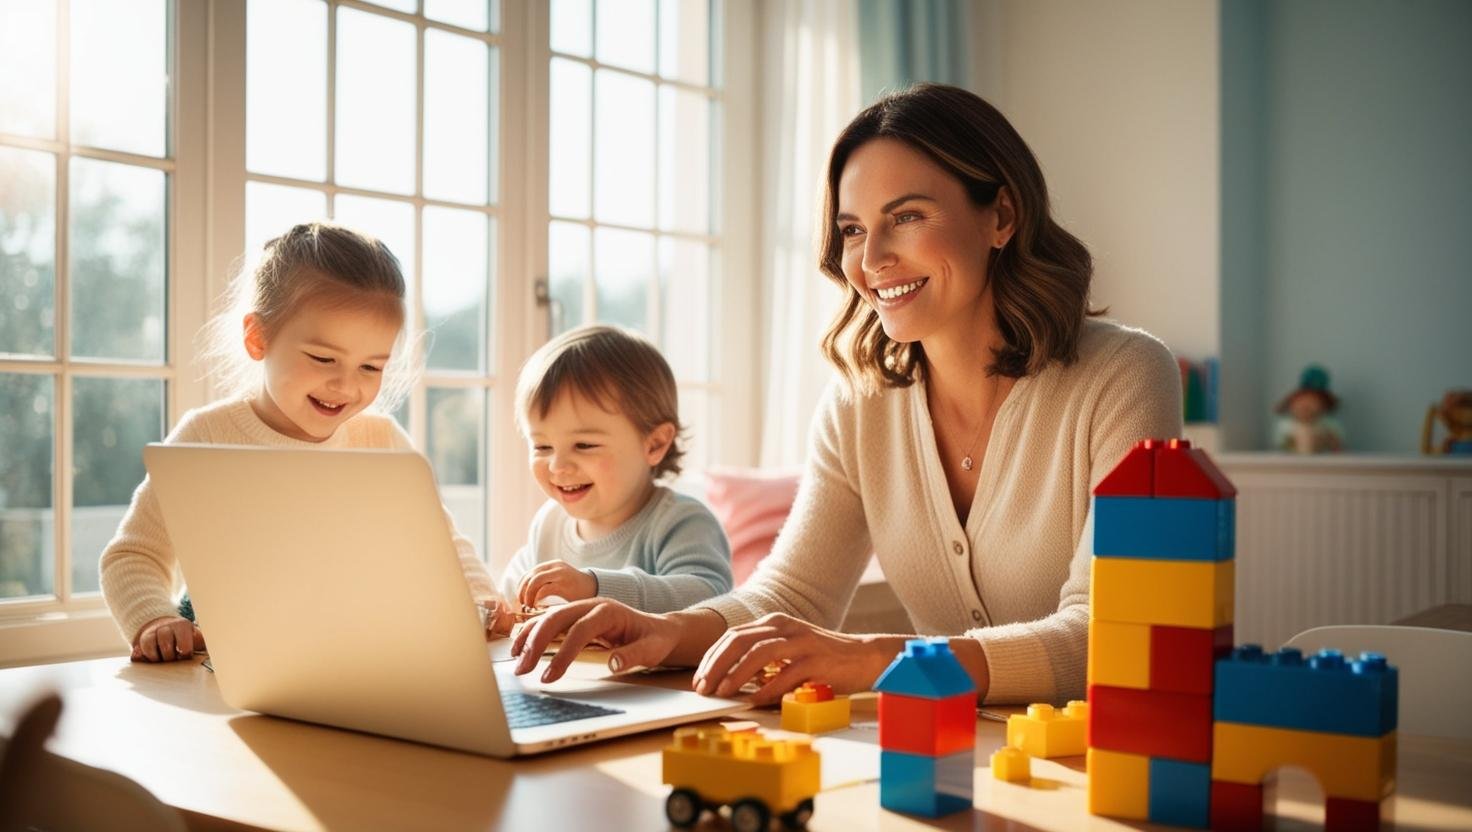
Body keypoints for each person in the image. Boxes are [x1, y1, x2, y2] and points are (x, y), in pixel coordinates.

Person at [511, 83, 1182, 705]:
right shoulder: (859, 405)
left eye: (908, 216)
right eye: (854, 229)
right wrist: (662, 630)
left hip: (1114, 766)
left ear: (1000, 215)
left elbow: (1111, 635)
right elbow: (793, 593)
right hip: (947, 757)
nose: (871, 259)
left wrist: (874, 659)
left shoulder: (1124, 376)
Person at [100, 222, 496, 662]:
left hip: (359, 660)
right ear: (258, 338)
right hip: (231, 667)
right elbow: (132, 555)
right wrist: (154, 618)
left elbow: (442, 545)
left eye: (371, 367)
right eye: (323, 358)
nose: (345, 385)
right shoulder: (206, 437)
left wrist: (482, 599)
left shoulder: (380, 439)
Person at [489, 325, 732, 633]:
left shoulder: (681, 521)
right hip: (572, 679)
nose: (558, 465)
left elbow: (711, 598)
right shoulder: (549, 524)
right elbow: (509, 599)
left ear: (655, 444)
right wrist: (497, 613)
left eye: (584, 445)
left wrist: (595, 586)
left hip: (658, 682)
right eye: (542, 446)